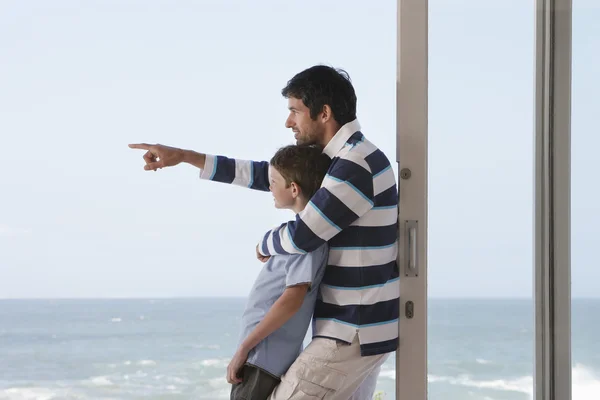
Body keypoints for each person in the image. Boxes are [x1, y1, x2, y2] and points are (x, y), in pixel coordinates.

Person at [129, 64, 399, 400]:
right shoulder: (339, 160)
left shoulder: (355, 165)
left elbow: (303, 237)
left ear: (324, 112)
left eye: (295, 112)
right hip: (355, 329)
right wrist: (186, 157)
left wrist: (265, 242)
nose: (289, 122)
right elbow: (269, 176)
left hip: (352, 331)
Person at [228, 144, 331, 400]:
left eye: (273, 182)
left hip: (262, 357)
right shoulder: (296, 235)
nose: (270, 188)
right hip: (264, 357)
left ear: (293, 189)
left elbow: (291, 300)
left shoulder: (304, 241)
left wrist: (244, 349)